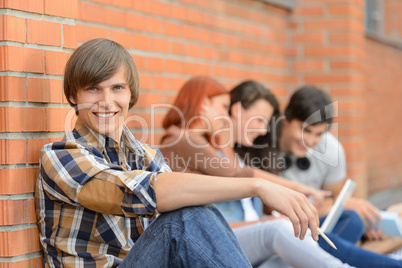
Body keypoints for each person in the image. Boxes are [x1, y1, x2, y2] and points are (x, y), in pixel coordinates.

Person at [34, 38, 322, 267]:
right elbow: (136, 192)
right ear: (73, 96)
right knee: (185, 218)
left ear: (130, 94)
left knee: (271, 257)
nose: (107, 101)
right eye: (93, 89)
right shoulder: (60, 156)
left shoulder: (146, 156)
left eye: (117, 88)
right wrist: (259, 186)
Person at [160, 76, 351, 268]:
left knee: (286, 254)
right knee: (279, 231)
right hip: (212, 241)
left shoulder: (206, 145)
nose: (226, 114)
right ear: (202, 104)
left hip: (229, 237)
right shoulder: (180, 138)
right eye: (224, 106)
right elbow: (235, 173)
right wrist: (289, 190)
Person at [233, 82, 402, 267]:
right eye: (305, 130)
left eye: (318, 134)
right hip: (283, 222)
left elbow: (336, 200)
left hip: (314, 222)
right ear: (286, 120)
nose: (310, 141)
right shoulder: (260, 141)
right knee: (332, 233)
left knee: (354, 220)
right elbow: (266, 206)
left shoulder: (330, 149)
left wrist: (347, 205)